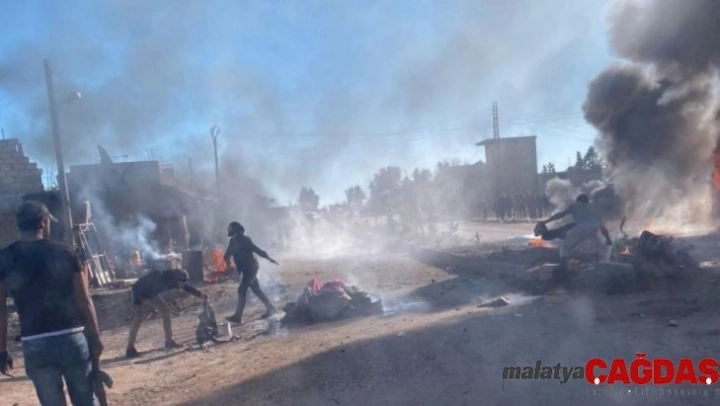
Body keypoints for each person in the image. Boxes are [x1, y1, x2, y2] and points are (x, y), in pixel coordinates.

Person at [0, 201, 103, 406]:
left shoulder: (5, 258)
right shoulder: (65, 252)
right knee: (85, 401)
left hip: (35, 342)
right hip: (71, 338)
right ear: (43, 222)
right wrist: (94, 336)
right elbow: (84, 299)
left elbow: (0, 310)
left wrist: (2, 350)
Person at [125, 269, 207, 358]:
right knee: (138, 318)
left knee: (165, 310)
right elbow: (139, 286)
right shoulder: (159, 276)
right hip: (138, 292)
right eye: (182, 282)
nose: (183, 284)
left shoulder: (175, 280)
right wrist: (137, 303)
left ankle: (169, 341)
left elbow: (187, 287)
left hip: (150, 294)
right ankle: (130, 349)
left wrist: (200, 295)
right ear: (176, 279)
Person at [537, 194, 613, 274]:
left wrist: (545, 221)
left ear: (578, 201)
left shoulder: (575, 206)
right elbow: (602, 227)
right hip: (595, 230)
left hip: (581, 228)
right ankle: (597, 266)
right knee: (598, 250)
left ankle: (564, 265)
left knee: (564, 247)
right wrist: (608, 239)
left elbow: (560, 215)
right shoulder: (593, 209)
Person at [224, 222, 278, 324]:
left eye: (230, 229)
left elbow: (256, 250)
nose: (229, 231)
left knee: (241, 290)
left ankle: (238, 317)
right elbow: (227, 256)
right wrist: (229, 267)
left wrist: (268, 258)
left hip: (251, 269)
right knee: (256, 290)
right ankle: (271, 308)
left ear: (235, 230)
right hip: (248, 269)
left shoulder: (242, 240)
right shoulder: (236, 241)